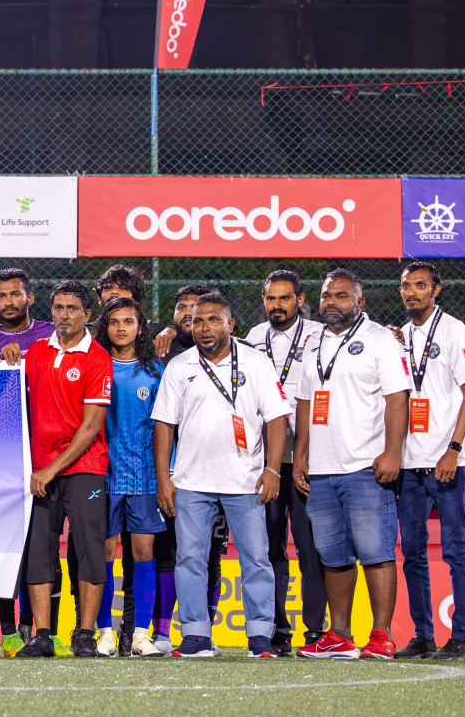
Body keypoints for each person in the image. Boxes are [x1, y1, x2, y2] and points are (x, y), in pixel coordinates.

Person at [152, 292, 289, 658]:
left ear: (230, 324)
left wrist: (273, 468)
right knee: (190, 560)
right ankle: (195, 635)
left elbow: (277, 418)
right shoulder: (180, 366)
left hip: (246, 481)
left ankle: (261, 636)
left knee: (256, 559)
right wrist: (164, 477)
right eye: (198, 321)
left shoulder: (257, 363)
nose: (204, 328)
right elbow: (164, 424)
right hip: (191, 482)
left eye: (213, 320)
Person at [293, 268, 412, 659]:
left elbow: (397, 398)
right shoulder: (312, 343)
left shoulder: (379, 340)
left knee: (376, 552)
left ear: (360, 302)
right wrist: (300, 456)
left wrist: (393, 452)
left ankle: (380, 634)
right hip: (322, 469)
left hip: (365, 464)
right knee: (334, 555)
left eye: (342, 296)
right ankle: (340, 635)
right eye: (327, 295)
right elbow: (306, 403)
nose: (332, 302)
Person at [15, 281, 112, 659]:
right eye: (58, 307)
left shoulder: (97, 357)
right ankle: (42, 635)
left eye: (72, 308)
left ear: (87, 315)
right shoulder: (36, 351)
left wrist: (51, 470)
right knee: (39, 552)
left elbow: (90, 428)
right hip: (40, 471)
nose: (64, 315)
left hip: (82, 469)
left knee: (88, 550)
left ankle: (85, 634)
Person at [242, 269, 326, 654]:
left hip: (308, 459)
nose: (277, 305)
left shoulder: (320, 335)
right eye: (271, 299)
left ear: (300, 300)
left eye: (285, 298)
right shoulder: (253, 338)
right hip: (266, 460)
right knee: (270, 548)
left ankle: (315, 630)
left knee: (310, 548)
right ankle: (278, 629)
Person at [395, 261, 465, 660]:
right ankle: (422, 634)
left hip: (449, 461)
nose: (411, 293)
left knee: (456, 550)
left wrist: (454, 449)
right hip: (409, 463)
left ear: (436, 290)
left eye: (420, 286)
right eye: (406, 286)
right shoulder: (401, 337)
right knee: (412, 552)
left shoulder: (454, 330)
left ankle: (461, 636)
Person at [93, 297, 169, 658]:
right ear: (105, 327)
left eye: (128, 321)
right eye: (113, 321)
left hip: (143, 477)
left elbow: (165, 428)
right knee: (105, 555)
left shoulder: (155, 371)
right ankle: (105, 633)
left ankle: (140, 634)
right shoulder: (97, 365)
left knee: (143, 554)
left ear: (141, 327)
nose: (120, 327)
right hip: (103, 477)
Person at [0, 269, 54, 361]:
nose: (8, 303)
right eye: (1, 296)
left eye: (15, 295)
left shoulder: (53, 332)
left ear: (30, 298)